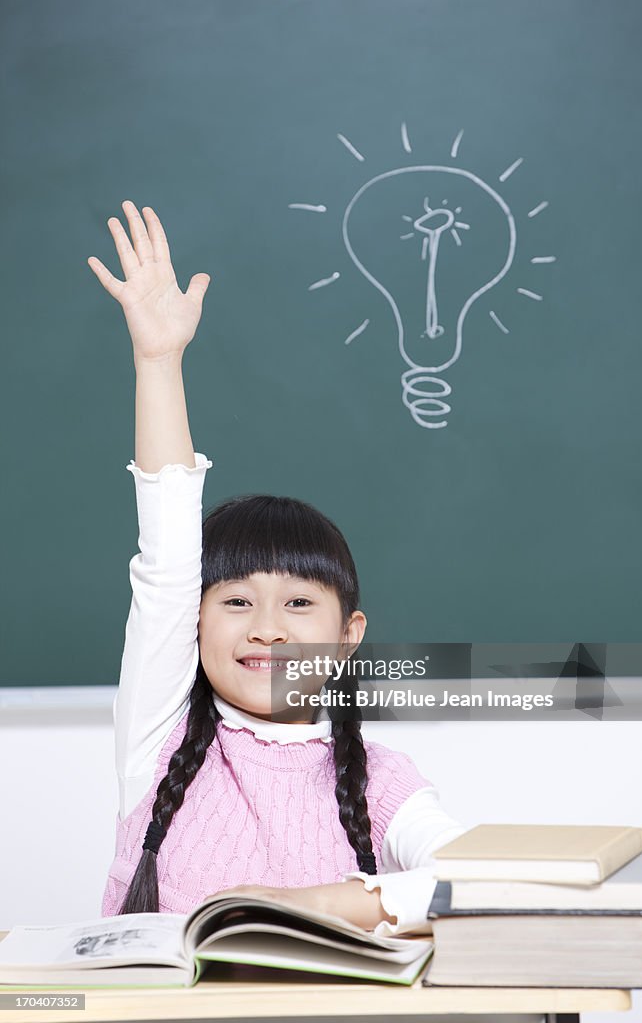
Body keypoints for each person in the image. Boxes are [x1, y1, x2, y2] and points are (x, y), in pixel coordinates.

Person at [88, 200, 466, 935]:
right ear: (192, 623)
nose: (266, 631)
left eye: (298, 605)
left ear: (348, 633)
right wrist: (158, 362)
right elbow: (168, 562)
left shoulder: (380, 780)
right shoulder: (157, 739)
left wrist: (323, 905)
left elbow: (479, 881)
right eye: (234, 602)